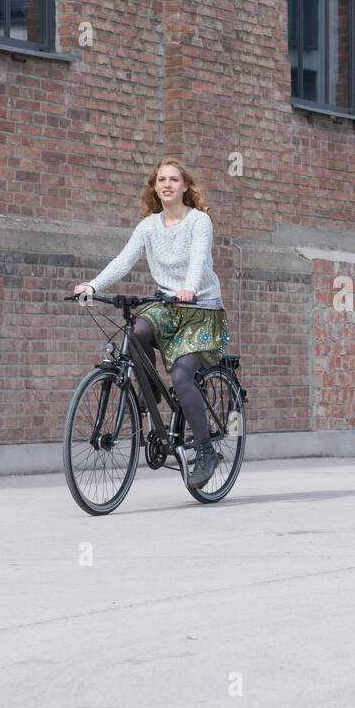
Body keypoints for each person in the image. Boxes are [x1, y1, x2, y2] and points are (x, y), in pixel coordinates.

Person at [73, 158, 230, 488]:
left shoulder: (199, 222)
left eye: (174, 179)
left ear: (185, 186)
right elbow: (123, 260)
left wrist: (189, 287)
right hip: (167, 304)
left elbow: (200, 259)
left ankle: (204, 451)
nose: (168, 184)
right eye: (162, 180)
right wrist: (92, 286)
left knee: (182, 375)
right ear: (154, 187)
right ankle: (151, 394)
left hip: (200, 308)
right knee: (139, 330)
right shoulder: (148, 227)